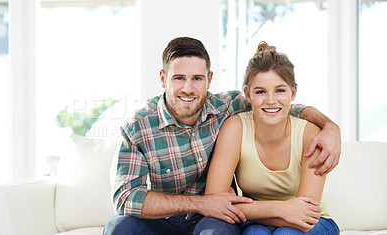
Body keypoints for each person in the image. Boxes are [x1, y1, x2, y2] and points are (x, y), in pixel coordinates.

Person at [103, 37, 341, 235]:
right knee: (118, 228)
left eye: (197, 78)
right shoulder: (137, 127)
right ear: (163, 79)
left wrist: (330, 126)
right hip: (168, 218)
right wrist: (202, 203)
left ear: (209, 79)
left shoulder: (226, 107)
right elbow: (126, 199)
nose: (188, 88)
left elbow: (275, 106)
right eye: (178, 78)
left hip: (212, 219)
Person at [204, 41, 340, 234]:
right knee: (255, 233)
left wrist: (247, 209)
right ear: (248, 95)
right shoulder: (236, 128)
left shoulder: (310, 134)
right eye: (260, 91)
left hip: (315, 223)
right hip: (258, 222)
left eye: (280, 90)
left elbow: (304, 216)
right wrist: (282, 208)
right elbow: (214, 201)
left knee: (286, 233)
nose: (270, 100)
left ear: (293, 92)